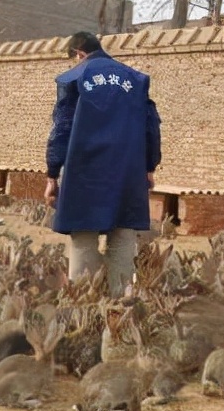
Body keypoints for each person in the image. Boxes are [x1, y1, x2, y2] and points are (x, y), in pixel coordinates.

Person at [44, 31, 161, 297]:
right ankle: (119, 302)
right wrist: (149, 167)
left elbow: (61, 130)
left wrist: (52, 175)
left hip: (83, 173)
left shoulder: (74, 79)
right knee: (122, 237)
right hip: (127, 173)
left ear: (79, 53)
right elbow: (151, 128)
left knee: (83, 237)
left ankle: (84, 302)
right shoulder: (136, 80)